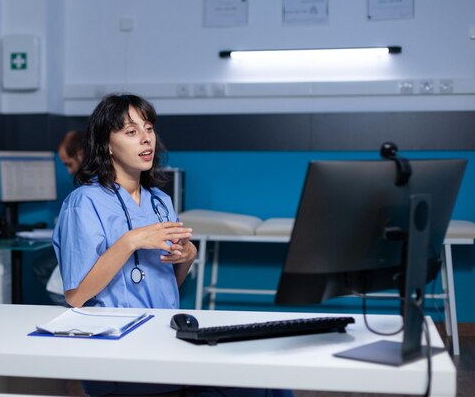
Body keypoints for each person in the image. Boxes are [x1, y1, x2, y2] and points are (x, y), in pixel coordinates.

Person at [53, 94, 293, 397]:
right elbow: (76, 295)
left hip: (164, 339)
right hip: (117, 350)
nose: (145, 139)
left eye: (149, 128)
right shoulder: (84, 203)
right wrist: (131, 241)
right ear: (107, 145)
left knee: (270, 378)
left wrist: (187, 257)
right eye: (131, 132)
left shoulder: (159, 201)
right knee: (257, 388)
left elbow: (168, 283)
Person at [32, 130, 85, 305]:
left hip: (80, 279)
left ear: (81, 154)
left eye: (70, 164)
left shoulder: (86, 196)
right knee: (41, 266)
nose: (70, 171)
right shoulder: (82, 196)